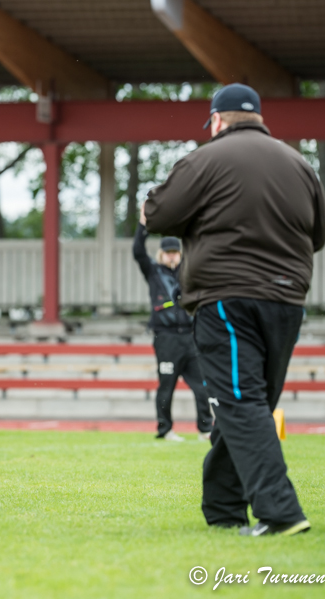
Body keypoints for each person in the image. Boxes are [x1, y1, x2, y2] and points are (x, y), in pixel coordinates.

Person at [144, 83, 324, 537]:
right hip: (287, 301)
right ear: (259, 118)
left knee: (241, 403)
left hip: (227, 299)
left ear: (217, 120)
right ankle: (223, 507)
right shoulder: (300, 164)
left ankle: (280, 513)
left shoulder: (205, 159)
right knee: (250, 402)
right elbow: (318, 233)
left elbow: (158, 215)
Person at [132, 223, 212, 442]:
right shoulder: (153, 271)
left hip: (190, 336)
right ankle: (165, 429)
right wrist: (143, 226)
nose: (171, 257)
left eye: (175, 252)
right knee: (166, 386)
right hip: (165, 337)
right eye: (168, 253)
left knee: (202, 386)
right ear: (161, 254)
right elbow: (138, 251)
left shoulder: (188, 270)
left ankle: (205, 429)